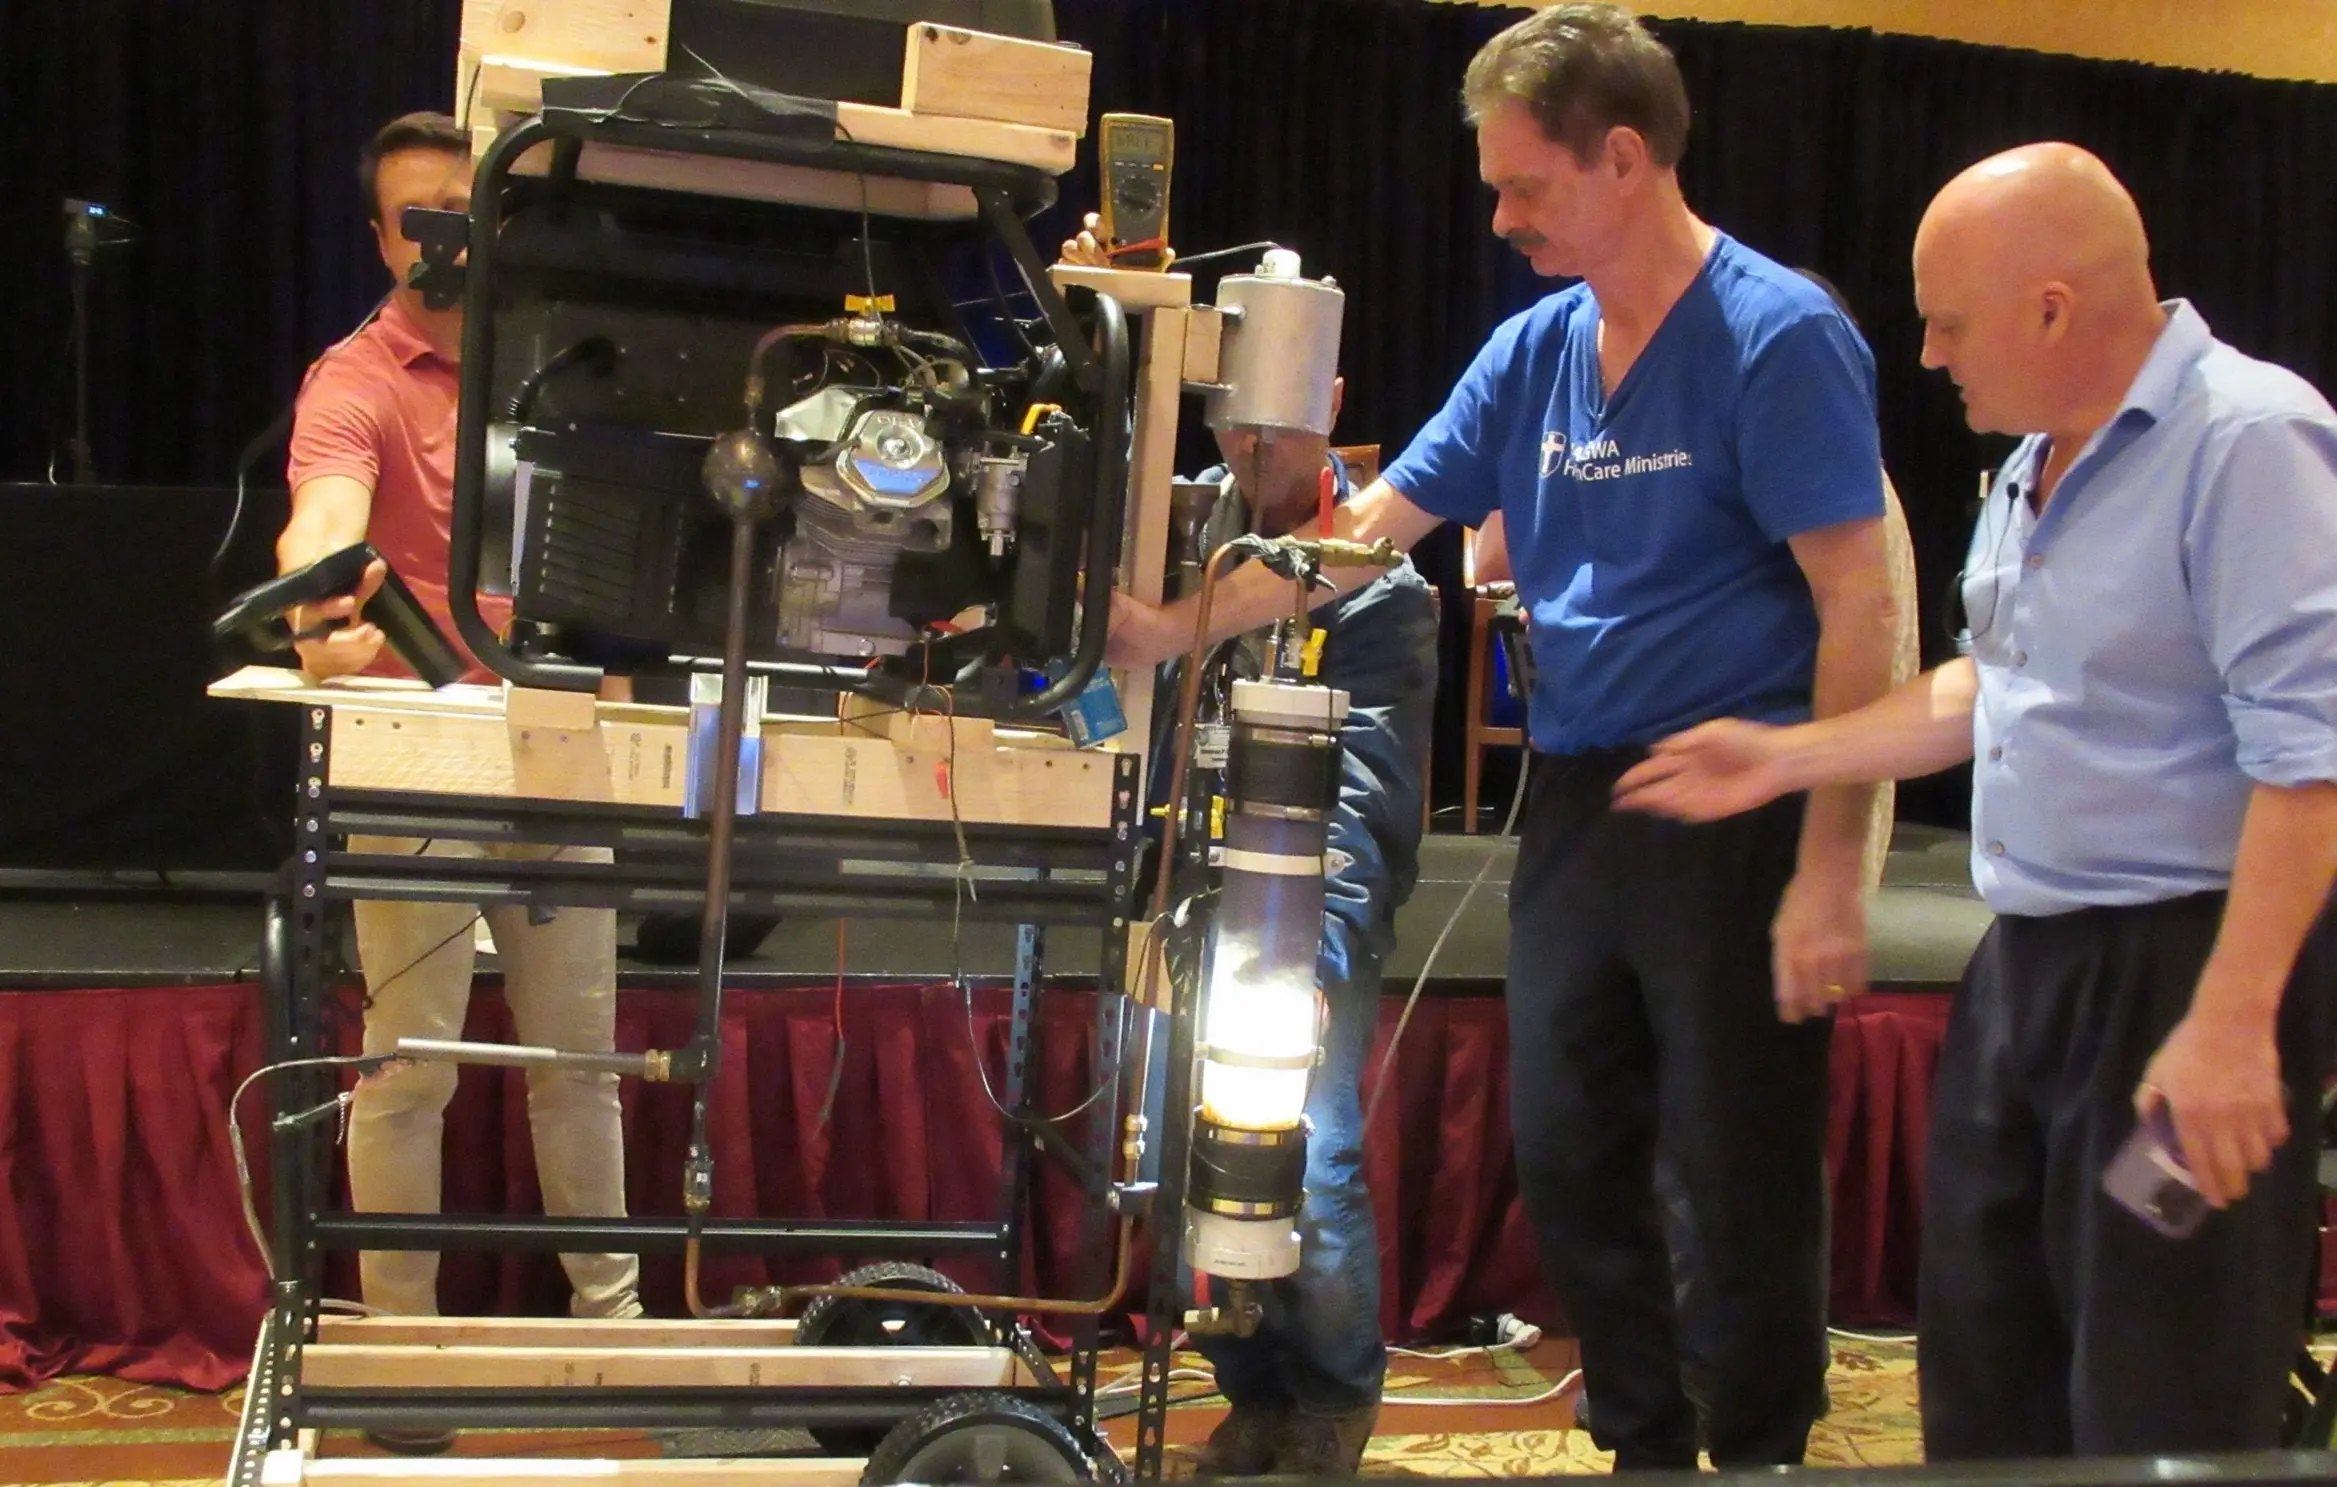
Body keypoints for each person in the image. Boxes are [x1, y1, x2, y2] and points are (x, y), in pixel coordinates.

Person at [1104, 6, 1899, 1469]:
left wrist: (1834, 865)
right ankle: (1645, 1443)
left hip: (1741, 798)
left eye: (1524, 184)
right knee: (1573, 1154)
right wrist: (1171, 627)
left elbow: (1865, 604)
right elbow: (1363, 536)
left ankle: (1762, 1449)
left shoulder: (1779, 334)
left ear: (1622, 159)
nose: (1500, 216)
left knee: (1737, 1171)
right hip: (1586, 799)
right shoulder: (1532, 349)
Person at [1614, 142, 2337, 1459]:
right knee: (1989, 1366)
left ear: (2051, 308)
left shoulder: (2249, 440)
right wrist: (1788, 755)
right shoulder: (2032, 461)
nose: (1930, 355)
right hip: (2026, 973)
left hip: (2183, 982)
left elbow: (2314, 754)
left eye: (1947, 323)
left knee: (2157, 1383)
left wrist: (2233, 1023)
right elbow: (1998, 686)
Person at [277, 113, 644, 1452]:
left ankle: (615, 1336)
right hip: (422, 757)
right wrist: (320, 590)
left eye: (462, 209)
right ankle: (403, 1350)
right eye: (416, 217)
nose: (443, 237)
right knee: (410, 1062)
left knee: (581, 1061)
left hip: (557, 746)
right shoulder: (358, 374)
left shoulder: (559, 358)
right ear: (382, 238)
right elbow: (324, 512)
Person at [1065, 220, 1437, 1475]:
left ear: (1330, 402)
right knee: (1184, 1140)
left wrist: (1315, 954)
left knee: (1305, 1150)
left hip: (1301, 910)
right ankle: (1252, 1385)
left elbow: (1368, 788)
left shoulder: (1378, 583)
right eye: (1236, 423)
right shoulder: (1179, 538)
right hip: (1184, 886)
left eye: (1278, 427)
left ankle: (1331, 1394)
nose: (1252, 449)